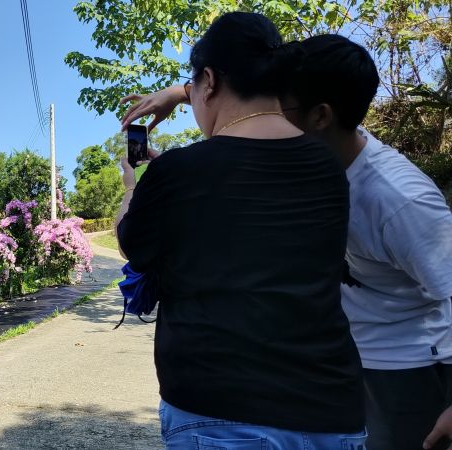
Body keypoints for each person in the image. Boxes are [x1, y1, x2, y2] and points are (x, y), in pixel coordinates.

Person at [115, 12, 366, 449]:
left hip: (217, 409)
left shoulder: (178, 171)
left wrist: (133, 189)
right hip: (329, 407)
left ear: (209, 81)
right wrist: (179, 93)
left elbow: (133, 246)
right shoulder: (327, 165)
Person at [281, 34, 452, 450]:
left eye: (279, 108)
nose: (264, 117)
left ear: (320, 116)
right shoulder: (320, 162)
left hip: (411, 371)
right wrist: (186, 93)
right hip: (352, 357)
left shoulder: (399, 200)